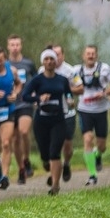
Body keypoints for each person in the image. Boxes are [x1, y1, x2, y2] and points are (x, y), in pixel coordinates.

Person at [20, 49, 81, 195]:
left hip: (58, 119)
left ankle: (55, 185)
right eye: (46, 59)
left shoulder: (62, 79)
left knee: (55, 152)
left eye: (52, 59)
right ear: (43, 62)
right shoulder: (37, 80)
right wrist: (39, 98)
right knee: (45, 154)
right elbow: (25, 96)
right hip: (41, 120)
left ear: (56, 61)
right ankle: (47, 163)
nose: (49, 62)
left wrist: (70, 100)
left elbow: (68, 93)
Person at [71, 45, 110, 185]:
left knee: (102, 146)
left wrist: (104, 93)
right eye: (88, 53)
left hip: (101, 110)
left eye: (92, 53)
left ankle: (97, 155)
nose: (90, 56)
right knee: (88, 139)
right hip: (84, 110)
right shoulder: (76, 70)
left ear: (96, 55)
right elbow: (69, 86)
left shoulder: (104, 69)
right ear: (83, 56)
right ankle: (92, 174)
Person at [38, 44, 76, 184]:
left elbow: (80, 88)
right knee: (53, 145)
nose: (54, 58)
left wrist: (64, 89)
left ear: (63, 55)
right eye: (52, 54)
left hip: (67, 113)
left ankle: (66, 163)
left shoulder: (70, 71)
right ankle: (54, 176)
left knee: (67, 145)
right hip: (49, 114)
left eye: (58, 54)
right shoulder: (41, 71)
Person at [0, 47, 21, 190]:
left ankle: (5, 176)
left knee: (6, 143)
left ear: (5, 59)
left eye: (0, 60)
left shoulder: (12, 70)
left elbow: (19, 83)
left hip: (8, 110)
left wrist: (15, 94)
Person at [7, 34, 37, 183]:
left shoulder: (28, 64)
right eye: (12, 45)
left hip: (25, 103)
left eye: (17, 45)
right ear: (8, 47)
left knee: (24, 131)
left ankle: (26, 158)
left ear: (21, 46)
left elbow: (37, 80)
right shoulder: (4, 64)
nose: (15, 48)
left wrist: (36, 95)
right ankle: (21, 169)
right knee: (14, 138)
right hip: (10, 104)